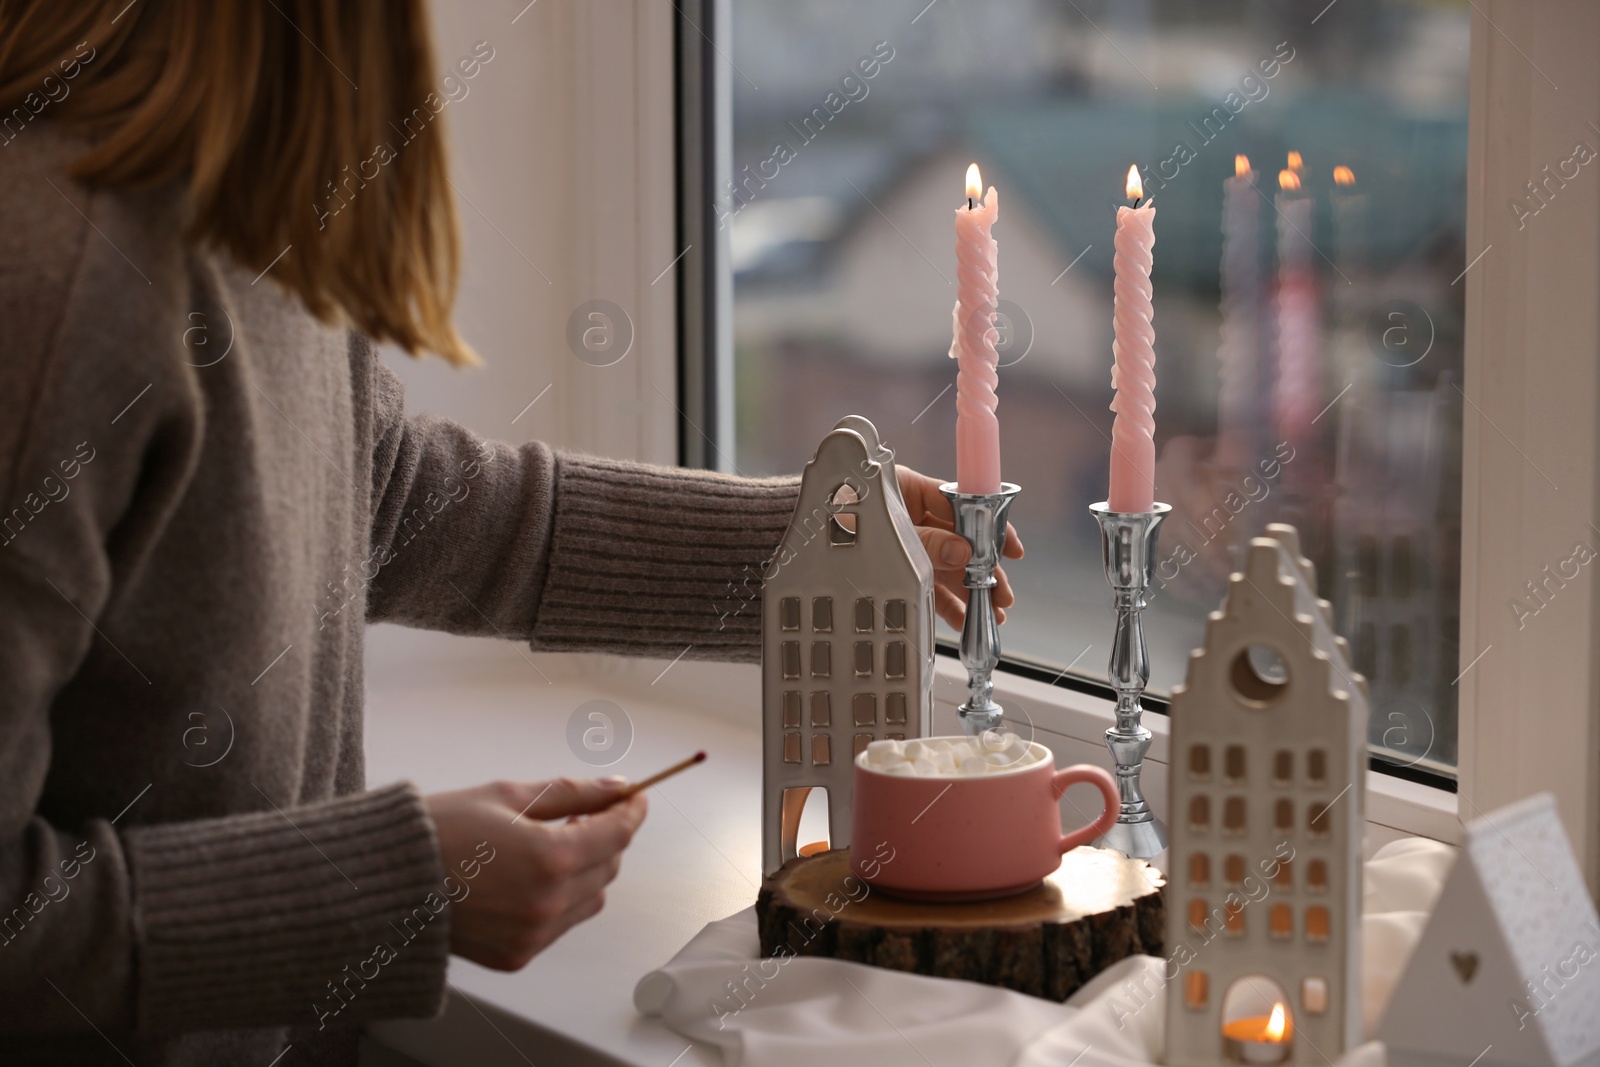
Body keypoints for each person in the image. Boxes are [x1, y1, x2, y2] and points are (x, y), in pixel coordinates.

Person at [0, 2, 1022, 1064]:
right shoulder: (49, 272)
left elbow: (380, 498)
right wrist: (398, 888)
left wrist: (810, 545)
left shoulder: (239, 200)